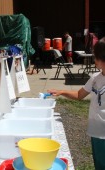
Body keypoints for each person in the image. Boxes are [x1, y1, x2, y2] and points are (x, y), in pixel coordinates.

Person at [47, 37, 105, 170]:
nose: (94, 60)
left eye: (96, 57)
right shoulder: (95, 78)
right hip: (96, 133)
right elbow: (79, 95)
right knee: (99, 164)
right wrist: (61, 92)